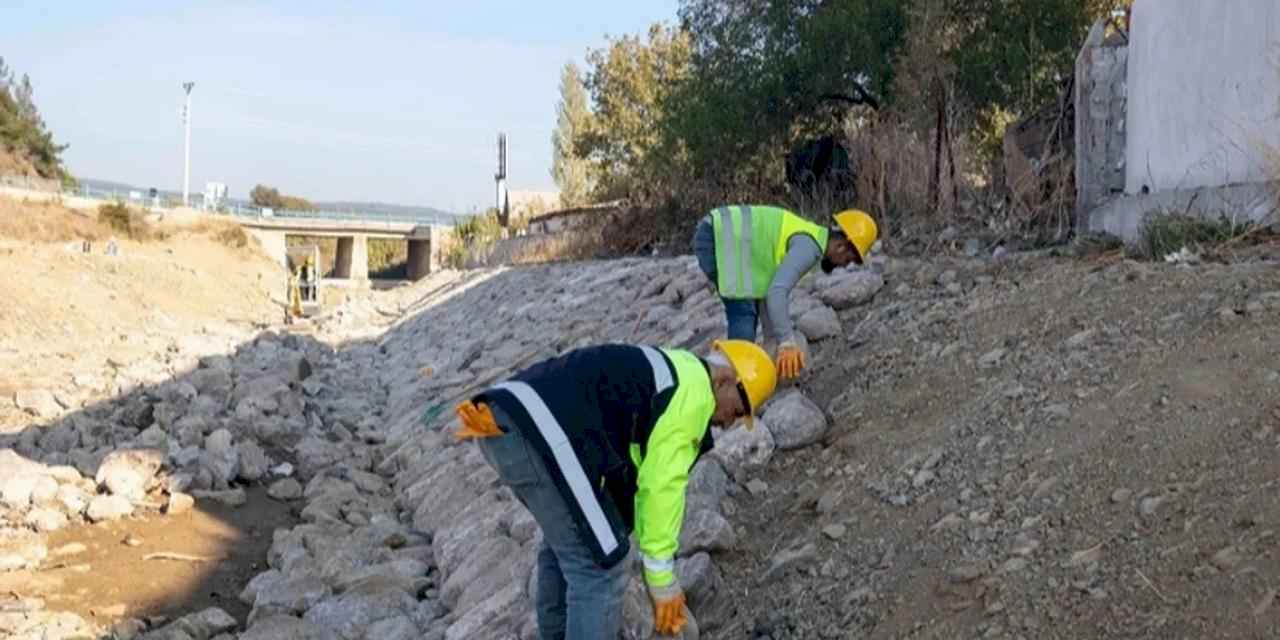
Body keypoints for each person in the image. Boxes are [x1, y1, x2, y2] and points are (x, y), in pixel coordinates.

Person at [455, 340, 779, 639]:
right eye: (738, 410)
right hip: (541, 430)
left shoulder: (677, 370)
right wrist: (661, 578)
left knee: (572, 546)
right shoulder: (694, 397)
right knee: (600, 568)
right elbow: (662, 484)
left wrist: (624, 525)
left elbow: (636, 464)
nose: (730, 422)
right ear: (723, 380)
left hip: (506, 420)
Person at [691, 205, 878, 379]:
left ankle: (734, 381)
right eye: (848, 259)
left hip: (720, 232)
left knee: (747, 309)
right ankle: (731, 384)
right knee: (744, 313)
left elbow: (767, 291)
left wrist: (774, 337)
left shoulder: (809, 237)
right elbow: (777, 292)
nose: (844, 265)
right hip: (718, 236)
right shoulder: (808, 247)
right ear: (841, 246)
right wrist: (786, 342)